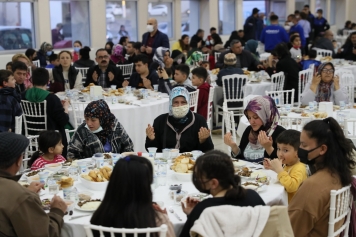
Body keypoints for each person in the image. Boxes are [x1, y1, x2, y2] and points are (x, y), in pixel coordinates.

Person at [288, 117, 356, 236]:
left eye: (304, 145)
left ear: (322, 149)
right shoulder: (340, 174)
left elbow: (289, 231)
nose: (299, 150)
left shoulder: (312, 186)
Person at [179, 150, 265, 237]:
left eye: (199, 177)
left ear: (214, 183)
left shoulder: (204, 210)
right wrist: (193, 215)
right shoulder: (253, 196)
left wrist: (193, 216)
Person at [0, 132, 67, 236]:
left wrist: (26, 192)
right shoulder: (19, 195)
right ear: (18, 161)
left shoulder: (17, 192)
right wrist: (57, 212)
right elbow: (44, 233)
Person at [91, 155, 175, 237]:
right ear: (145, 187)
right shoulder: (158, 222)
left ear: (114, 183)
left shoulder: (99, 218)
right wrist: (165, 219)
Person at [145, 87, 214, 153]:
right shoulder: (160, 121)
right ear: (170, 104)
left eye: (183, 102)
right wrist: (151, 140)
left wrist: (203, 141)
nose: (179, 105)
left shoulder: (199, 121)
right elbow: (152, 151)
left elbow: (209, 150)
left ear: (188, 103)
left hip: (189, 162)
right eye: (176, 102)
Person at [21, 68, 69, 157]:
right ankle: (61, 159)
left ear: (32, 80)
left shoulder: (23, 95)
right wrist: (65, 107)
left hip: (30, 134)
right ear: (48, 81)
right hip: (49, 137)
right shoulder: (52, 98)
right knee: (64, 127)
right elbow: (63, 120)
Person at [224, 96, 285, 162]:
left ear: (267, 115)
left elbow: (284, 163)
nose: (251, 122)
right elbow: (240, 158)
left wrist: (268, 148)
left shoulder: (280, 134)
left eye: (255, 117)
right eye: (249, 118)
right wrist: (234, 146)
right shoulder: (249, 130)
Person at [68, 100, 134, 159]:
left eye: (93, 120)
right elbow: (71, 155)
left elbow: (129, 147)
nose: (89, 123)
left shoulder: (115, 126)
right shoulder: (82, 130)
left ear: (103, 119)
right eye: (87, 119)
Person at [263, 130, 307, 202]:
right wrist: (273, 168)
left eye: (285, 150)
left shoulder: (299, 168)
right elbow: (285, 175)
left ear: (298, 152)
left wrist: (280, 170)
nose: (280, 154)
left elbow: (292, 186)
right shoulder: (289, 163)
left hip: (292, 206)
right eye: (278, 149)